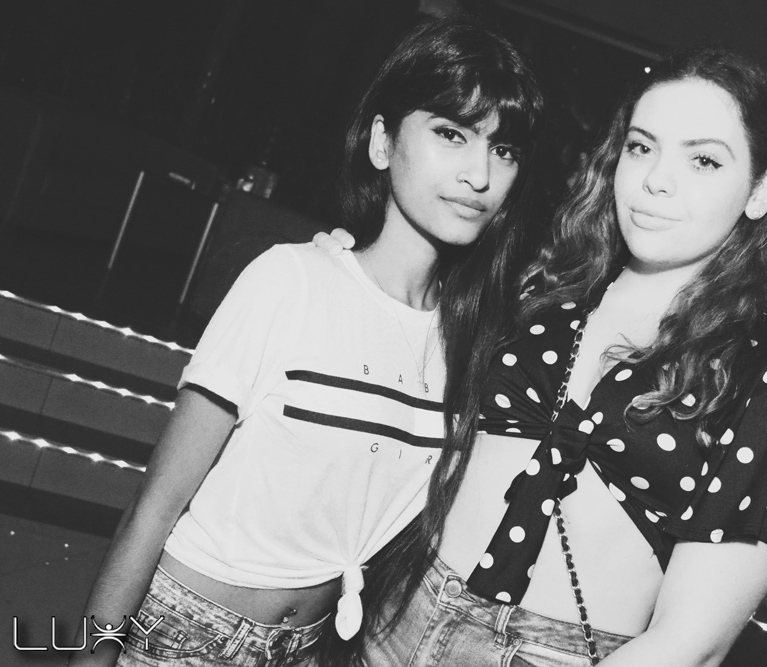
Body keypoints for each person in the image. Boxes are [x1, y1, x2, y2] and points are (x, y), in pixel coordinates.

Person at [316, 46, 767, 667]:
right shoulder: (542, 290)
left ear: (760, 192)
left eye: (703, 160)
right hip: (399, 611)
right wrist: (349, 271)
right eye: (641, 147)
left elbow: (693, 643)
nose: (656, 179)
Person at [70, 15, 544, 667]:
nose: (479, 174)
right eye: (450, 133)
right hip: (185, 629)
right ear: (382, 142)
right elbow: (154, 506)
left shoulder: (472, 341)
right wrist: (93, 657)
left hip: (311, 646)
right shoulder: (291, 280)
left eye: (504, 149)